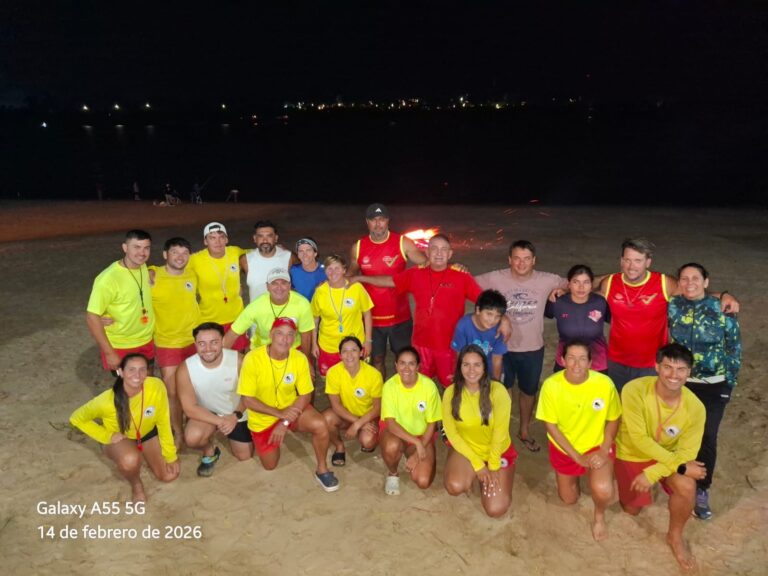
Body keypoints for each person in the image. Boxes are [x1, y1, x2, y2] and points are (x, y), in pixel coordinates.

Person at [597, 238, 739, 391]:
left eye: (638, 260)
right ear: (621, 261)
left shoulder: (663, 283)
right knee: (620, 408)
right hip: (617, 362)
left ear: (648, 262)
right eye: (627, 260)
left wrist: (723, 296)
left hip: (653, 364)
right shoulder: (609, 283)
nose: (631, 266)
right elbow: (583, 287)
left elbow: (693, 293)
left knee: (651, 410)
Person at [615, 343, 707, 572]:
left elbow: (687, 453)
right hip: (632, 453)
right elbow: (639, 438)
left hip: (667, 458)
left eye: (681, 369)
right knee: (631, 510)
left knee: (687, 486)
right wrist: (682, 467)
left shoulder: (696, 407)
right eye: (667, 367)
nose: (673, 375)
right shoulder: (633, 390)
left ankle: (674, 537)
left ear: (689, 373)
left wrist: (654, 473)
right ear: (656, 366)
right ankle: (626, 482)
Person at [355, 234, 484, 388]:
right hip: (421, 345)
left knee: (451, 387)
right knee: (421, 386)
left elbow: (484, 302)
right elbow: (389, 281)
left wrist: (502, 320)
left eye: (444, 250)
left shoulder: (462, 276)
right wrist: (360, 279)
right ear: (427, 253)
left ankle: (451, 412)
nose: (439, 253)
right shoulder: (416, 273)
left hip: (450, 346)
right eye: (434, 249)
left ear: (450, 254)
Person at [476, 240, 568, 452]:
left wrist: (560, 292)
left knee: (528, 391)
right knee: (500, 390)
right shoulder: (496, 277)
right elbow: (466, 284)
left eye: (526, 259)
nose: (521, 263)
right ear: (509, 259)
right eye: (516, 258)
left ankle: (524, 430)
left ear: (534, 260)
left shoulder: (547, 279)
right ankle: (502, 432)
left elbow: (573, 283)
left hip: (533, 348)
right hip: (502, 348)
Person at [668, 262, 742, 520]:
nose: (690, 283)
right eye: (684, 279)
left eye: (695, 278)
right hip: (681, 383)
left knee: (707, 437)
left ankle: (702, 488)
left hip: (714, 386)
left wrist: (728, 384)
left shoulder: (722, 309)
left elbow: (734, 348)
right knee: (677, 432)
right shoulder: (673, 306)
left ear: (706, 281)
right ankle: (678, 478)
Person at [237, 317, 340, 492]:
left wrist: (284, 422)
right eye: (280, 333)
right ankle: (258, 437)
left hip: (292, 411)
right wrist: (279, 415)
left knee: (320, 424)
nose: (285, 339)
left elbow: (305, 394)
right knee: (270, 465)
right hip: (264, 416)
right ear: (271, 335)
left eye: (290, 335)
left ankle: (322, 469)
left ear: (294, 338)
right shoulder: (252, 358)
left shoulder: (299, 358)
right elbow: (247, 400)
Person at [535, 339, 621, 541]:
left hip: (596, 445)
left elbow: (613, 418)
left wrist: (603, 450)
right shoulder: (551, 386)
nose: (576, 364)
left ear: (591, 363)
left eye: (583, 359)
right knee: (568, 499)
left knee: (603, 491)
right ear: (562, 360)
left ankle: (599, 516)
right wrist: (577, 457)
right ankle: (588, 475)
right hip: (566, 448)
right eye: (571, 358)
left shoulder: (604, 384)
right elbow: (551, 426)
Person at [70, 354, 179, 502]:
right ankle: (136, 484)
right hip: (121, 439)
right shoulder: (106, 400)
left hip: (146, 433)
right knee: (129, 459)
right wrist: (106, 435)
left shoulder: (156, 386)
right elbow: (76, 418)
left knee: (169, 475)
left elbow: (163, 421)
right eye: (131, 370)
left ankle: (145, 454)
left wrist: (170, 455)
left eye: (142, 370)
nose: (137, 375)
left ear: (148, 371)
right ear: (120, 372)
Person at [348, 203, 427, 378]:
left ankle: (405, 393)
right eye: (373, 220)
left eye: (382, 219)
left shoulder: (402, 242)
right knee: (377, 359)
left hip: (400, 317)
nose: (378, 224)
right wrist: (339, 279)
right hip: (372, 318)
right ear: (367, 222)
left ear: (387, 221)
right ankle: (380, 396)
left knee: (404, 359)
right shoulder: (358, 246)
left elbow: (425, 264)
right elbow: (352, 270)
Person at [442, 345, 516, 518]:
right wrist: (479, 465)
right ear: (459, 367)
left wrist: (493, 466)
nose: (471, 370)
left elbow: (500, 433)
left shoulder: (498, 392)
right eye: (466, 365)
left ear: (485, 367)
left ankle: (492, 476)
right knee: (455, 486)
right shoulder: (450, 393)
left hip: (497, 451)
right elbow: (452, 434)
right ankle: (462, 465)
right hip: (468, 449)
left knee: (495, 509)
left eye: (477, 365)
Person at [176, 322, 252, 477]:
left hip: (235, 412)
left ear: (222, 341)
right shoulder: (186, 368)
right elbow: (189, 407)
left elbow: (249, 395)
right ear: (195, 344)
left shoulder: (239, 361)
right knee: (192, 438)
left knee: (244, 456)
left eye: (214, 342)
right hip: (207, 413)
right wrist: (221, 422)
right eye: (202, 344)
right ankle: (209, 451)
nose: (208, 349)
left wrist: (234, 417)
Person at [148, 237, 200, 447]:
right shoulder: (152, 276)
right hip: (168, 343)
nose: (180, 257)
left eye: (185, 253)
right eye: (175, 252)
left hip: (194, 342)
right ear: (165, 255)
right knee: (172, 392)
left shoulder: (192, 273)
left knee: (194, 388)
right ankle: (177, 432)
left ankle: (192, 423)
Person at [86, 229, 156, 371]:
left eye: (146, 248)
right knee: (128, 388)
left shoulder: (142, 267)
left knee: (147, 384)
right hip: (121, 345)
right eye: (136, 247)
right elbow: (91, 316)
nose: (142, 253)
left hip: (146, 340)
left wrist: (152, 271)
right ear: (125, 248)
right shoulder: (108, 279)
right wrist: (109, 353)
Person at [380, 347, 442, 495]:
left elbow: (432, 423)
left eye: (411, 363)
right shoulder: (389, 386)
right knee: (391, 446)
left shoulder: (429, 387)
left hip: (422, 435)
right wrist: (417, 443)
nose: (406, 368)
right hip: (396, 434)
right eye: (402, 363)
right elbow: (391, 423)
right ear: (395, 365)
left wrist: (420, 445)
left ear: (418, 366)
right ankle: (393, 473)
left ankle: (414, 454)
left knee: (423, 481)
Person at [322, 336, 383, 466]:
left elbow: (377, 408)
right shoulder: (333, 372)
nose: (349, 355)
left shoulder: (374, 375)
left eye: (354, 350)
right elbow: (336, 406)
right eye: (345, 351)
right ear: (340, 355)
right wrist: (356, 422)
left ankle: (367, 433)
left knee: (368, 442)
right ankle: (339, 446)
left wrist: (360, 423)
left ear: (361, 353)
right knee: (326, 419)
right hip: (345, 414)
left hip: (367, 416)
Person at [188, 222, 249, 351]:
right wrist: (153, 270)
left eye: (221, 237)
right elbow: (173, 266)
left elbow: (259, 254)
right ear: (205, 241)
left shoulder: (235, 252)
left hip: (236, 319)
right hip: (209, 320)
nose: (218, 241)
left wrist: (279, 249)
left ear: (226, 239)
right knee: (213, 359)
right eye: (212, 237)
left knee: (238, 361)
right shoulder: (195, 259)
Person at [224, 267, 314, 354]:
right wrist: (216, 360)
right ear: (267, 287)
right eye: (274, 283)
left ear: (289, 286)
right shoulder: (256, 306)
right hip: (262, 348)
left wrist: (306, 360)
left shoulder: (302, 304)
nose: (279, 287)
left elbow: (306, 336)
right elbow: (233, 333)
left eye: (284, 283)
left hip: (291, 348)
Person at [311, 254, 374, 376]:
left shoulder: (356, 288)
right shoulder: (320, 291)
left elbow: (367, 314)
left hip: (355, 344)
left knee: (356, 378)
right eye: (329, 268)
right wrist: (314, 344)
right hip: (328, 345)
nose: (333, 272)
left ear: (344, 270)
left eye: (337, 268)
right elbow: (315, 319)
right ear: (325, 271)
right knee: (332, 380)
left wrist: (368, 341)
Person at [545, 264, 610, 373]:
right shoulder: (558, 302)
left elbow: (616, 320)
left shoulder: (601, 302)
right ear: (569, 284)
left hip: (597, 362)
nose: (581, 287)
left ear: (591, 285)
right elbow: (548, 313)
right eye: (576, 282)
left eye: (586, 282)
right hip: (566, 362)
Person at [450, 289, 508, 380]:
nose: (492, 320)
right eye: (489, 314)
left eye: (497, 316)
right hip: (470, 371)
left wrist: (496, 382)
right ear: (478, 310)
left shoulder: (499, 329)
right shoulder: (463, 325)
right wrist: (460, 376)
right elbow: (459, 355)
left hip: (490, 372)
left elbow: (497, 359)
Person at [242, 220, 296, 304]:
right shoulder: (245, 260)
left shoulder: (289, 257)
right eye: (260, 236)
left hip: (283, 314)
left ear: (276, 238)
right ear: (255, 238)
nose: (265, 240)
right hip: (256, 315)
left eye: (269, 236)